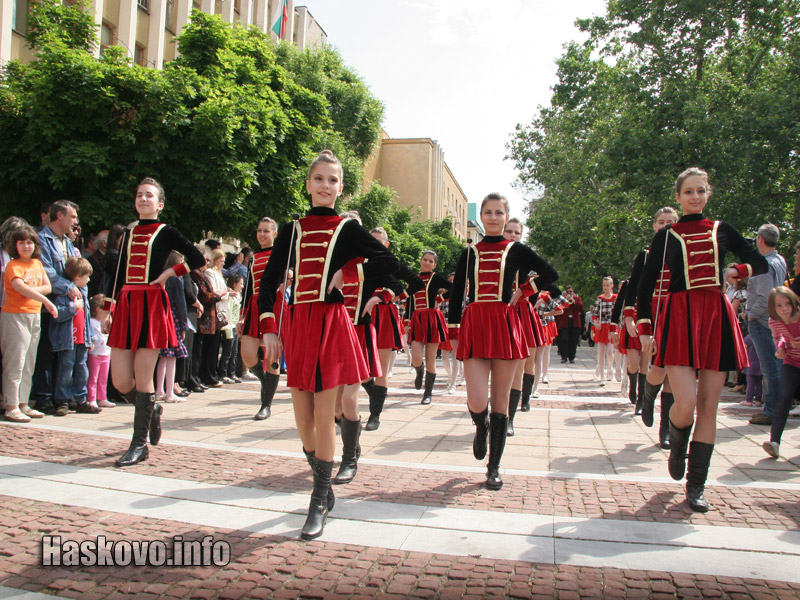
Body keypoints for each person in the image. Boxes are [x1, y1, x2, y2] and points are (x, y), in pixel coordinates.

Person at [259, 150, 399, 540]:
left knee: (323, 416)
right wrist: (268, 327)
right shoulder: (293, 229)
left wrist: (348, 271)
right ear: (308, 184)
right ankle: (323, 480)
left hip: (332, 324)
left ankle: (318, 498)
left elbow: (388, 262)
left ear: (341, 188)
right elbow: (269, 280)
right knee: (303, 422)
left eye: (332, 180)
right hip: (299, 326)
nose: (325, 185)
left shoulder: (347, 228)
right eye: (319, 178)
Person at [638, 167, 767, 512]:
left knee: (709, 408)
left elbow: (759, 261)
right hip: (680, 318)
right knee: (686, 403)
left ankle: (696, 485)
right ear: (678, 197)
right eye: (688, 192)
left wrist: (737, 271)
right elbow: (645, 284)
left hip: (715, 318)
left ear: (708, 193)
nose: (695, 197)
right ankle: (677, 442)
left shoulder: (722, 229)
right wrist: (646, 327)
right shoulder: (666, 236)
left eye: (700, 191)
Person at [449, 193, 558, 490]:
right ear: (481, 216)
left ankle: (493, 468)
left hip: (505, 324)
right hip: (475, 323)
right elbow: (457, 294)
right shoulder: (469, 252)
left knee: (500, 402)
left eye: (499, 212)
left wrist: (525, 289)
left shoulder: (516, 249)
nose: (493, 217)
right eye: (488, 212)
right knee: (476, 399)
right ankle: (480, 424)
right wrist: (454, 332)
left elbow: (550, 273)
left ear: (506, 216)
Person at [108, 177, 206, 467]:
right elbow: (118, 273)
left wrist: (170, 273)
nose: (143, 199)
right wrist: (110, 307)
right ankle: (151, 410)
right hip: (126, 302)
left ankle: (139, 445)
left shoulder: (166, 231)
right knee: (120, 380)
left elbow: (197, 258)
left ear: (159, 204)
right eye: (139, 194)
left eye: (149, 195)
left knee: (143, 376)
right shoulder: (128, 231)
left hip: (151, 304)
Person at [362, 227, 424, 430]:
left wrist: (394, 297)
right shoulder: (361, 261)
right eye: (371, 240)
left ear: (386, 245)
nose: (375, 244)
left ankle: (375, 415)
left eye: (379, 241)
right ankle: (375, 397)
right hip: (362, 314)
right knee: (362, 370)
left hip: (383, 315)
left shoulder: (390, 262)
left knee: (380, 369)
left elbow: (416, 283)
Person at [632, 207, 680, 446]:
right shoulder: (646, 254)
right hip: (653, 311)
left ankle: (666, 430)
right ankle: (648, 394)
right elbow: (635, 288)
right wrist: (630, 317)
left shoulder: (683, 249)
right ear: (655, 226)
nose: (666, 226)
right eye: (661, 222)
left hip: (678, 310)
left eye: (671, 222)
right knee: (659, 365)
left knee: (674, 367)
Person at [1, 224, 58, 422]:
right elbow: (19, 286)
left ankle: (23, 403)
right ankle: (11, 405)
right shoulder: (13, 266)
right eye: (22, 243)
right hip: (15, 316)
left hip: (34, 315)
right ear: (15, 245)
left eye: (29, 242)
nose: (26, 246)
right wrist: (45, 300)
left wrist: (32, 292)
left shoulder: (37, 264)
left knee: (28, 363)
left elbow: (47, 286)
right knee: (15, 362)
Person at [31, 200, 80, 413]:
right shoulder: (41, 240)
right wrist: (69, 287)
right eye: (72, 217)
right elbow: (46, 272)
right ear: (59, 216)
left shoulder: (67, 242)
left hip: (66, 306)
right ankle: (43, 397)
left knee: (63, 353)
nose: (75, 221)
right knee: (45, 353)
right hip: (47, 305)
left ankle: (61, 396)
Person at [239, 217, 283, 420]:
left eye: (266, 231)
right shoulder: (254, 258)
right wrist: (242, 315)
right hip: (254, 306)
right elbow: (248, 288)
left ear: (275, 234)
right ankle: (265, 381)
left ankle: (266, 404)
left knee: (273, 358)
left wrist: (288, 277)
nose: (262, 234)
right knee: (247, 356)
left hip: (274, 305)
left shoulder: (281, 254)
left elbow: (291, 273)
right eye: (259, 230)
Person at [746, 224, 787, 426]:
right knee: (776, 366)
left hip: (762, 321)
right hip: (776, 319)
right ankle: (775, 409)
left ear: (760, 239)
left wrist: (751, 315)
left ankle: (771, 411)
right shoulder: (780, 260)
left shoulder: (763, 264)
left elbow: (764, 297)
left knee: (770, 368)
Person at [50, 257, 95, 415]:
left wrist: (90, 337)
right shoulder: (62, 295)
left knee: (82, 369)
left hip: (82, 339)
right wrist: (73, 307)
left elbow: (87, 318)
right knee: (66, 369)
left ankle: (81, 399)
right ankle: (63, 400)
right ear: (77, 276)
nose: (88, 280)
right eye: (86, 276)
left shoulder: (84, 293)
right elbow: (57, 315)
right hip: (68, 340)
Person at [407, 250, 452, 404]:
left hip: (432, 319)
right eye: (425, 259)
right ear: (420, 261)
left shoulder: (436, 277)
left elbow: (454, 287)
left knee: (431, 359)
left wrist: (439, 299)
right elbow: (410, 302)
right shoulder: (413, 279)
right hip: (417, 319)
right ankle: (419, 371)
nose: (427, 263)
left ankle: (428, 394)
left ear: (434, 265)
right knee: (416, 357)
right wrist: (407, 322)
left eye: (431, 261)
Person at [762, 287, 800, 458]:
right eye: (779, 305)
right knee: (784, 397)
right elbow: (778, 337)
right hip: (791, 362)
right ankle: (774, 442)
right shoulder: (774, 321)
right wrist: (781, 348)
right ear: (773, 308)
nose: (784, 309)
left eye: (787, 304)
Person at [156, 251, 191, 403]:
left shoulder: (162, 276)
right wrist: (184, 324)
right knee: (172, 357)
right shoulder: (177, 278)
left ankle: (159, 390)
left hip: (162, 316)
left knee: (163, 356)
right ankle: (170, 392)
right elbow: (181, 302)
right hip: (174, 317)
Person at [87, 294, 114, 409]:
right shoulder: (92, 322)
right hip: (95, 355)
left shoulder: (106, 323)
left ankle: (102, 397)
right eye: (106, 310)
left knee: (103, 379)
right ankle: (92, 398)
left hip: (106, 355)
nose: (108, 313)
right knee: (93, 378)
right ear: (98, 309)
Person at [591, 277, 617, 386]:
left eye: (607, 285)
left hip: (611, 326)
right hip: (602, 326)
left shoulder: (615, 298)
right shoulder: (599, 299)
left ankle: (610, 368)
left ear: (611, 286)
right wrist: (595, 323)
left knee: (610, 352)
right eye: (604, 285)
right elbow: (595, 314)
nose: (605, 287)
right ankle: (602, 376)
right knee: (601, 352)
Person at [219, 273, 243, 384]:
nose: (242, 286)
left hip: (235, 325)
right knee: (227, 351)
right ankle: (223, 374)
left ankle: (231, 373)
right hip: (229, 325)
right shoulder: (230, 295)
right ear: (234, 284)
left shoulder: (238, 296)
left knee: (234, 352)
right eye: (240, 283)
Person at [555, 286, 584, 364]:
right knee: (564, 339)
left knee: (573, 340)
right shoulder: (562, 299)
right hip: (565, 322)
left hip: (574, 322)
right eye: (568, 292)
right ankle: (564, 356)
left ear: (573, 292)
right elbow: (559, 308)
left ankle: (571, 357)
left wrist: (573, 301)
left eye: (570, 291)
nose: (569, 293)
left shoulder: (577, 299)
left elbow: (581, 308)